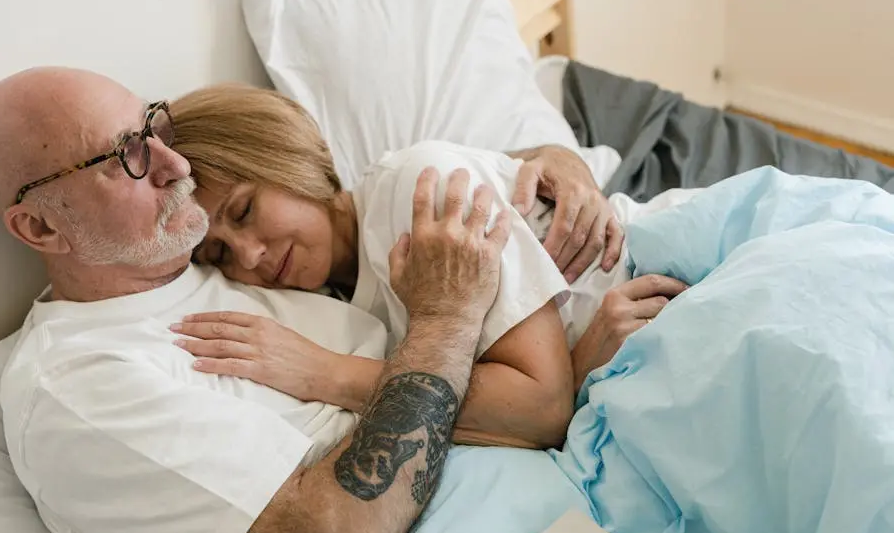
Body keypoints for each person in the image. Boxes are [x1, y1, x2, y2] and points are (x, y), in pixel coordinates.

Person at [0, 67, 629, 533]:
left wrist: (553, 160)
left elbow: (400, 204)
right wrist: (445, 323)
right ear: (42, 229)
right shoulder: (82, 383)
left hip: (570, 474)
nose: (172, 166)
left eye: (151, 129)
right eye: (125, 156)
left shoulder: (201, 259)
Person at [168, 83, 691, 427]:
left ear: (288, 158)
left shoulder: (416, 197)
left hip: (666, 278)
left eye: (244, 211)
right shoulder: (334, 299)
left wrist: (324, 373)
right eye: (219, 253)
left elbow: (542, 405)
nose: (251, 256)